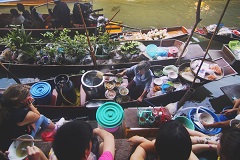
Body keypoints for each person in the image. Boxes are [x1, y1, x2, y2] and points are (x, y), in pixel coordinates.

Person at [0, 84, 55, 152]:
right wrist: (30, 104)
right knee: (42, 117)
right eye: (29, 95)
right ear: (21, 101)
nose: (31, 96)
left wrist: (30, 121)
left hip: (5, 135)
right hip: (13, 144)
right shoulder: (18, 114)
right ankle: (55, 129)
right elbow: (37, 115)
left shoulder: (4, 102)